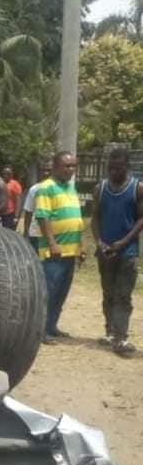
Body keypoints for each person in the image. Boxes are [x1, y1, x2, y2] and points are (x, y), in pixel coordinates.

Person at [91, 147, 143, 357]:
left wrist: (122, 242)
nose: (114, 172)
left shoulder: (137, 188)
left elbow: (141, 219)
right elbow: (95, 217)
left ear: (127, 167)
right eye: (111, 168)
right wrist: (99, 242)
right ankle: (110, 331)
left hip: (127, 252)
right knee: (108, 293)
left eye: (118, 168)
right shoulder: (100, 188)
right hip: (105, 251)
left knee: (123, 295)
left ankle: (121, 337)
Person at [35, 150, 86, 343]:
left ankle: (52, 326)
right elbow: (43, 216)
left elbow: (77, 220)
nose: (71, 169)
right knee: (50, 291)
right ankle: (42, 330)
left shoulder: (71, 188)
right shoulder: (47, 187)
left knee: (62, 292)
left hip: (70, 250)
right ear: (56, 167)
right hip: (54, 251)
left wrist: (80, 246)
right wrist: (52, 243)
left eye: (73, 166)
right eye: (67, 166)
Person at [22, 159, 53, 252]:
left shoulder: (60, 189)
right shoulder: (34, 189)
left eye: (49, 170)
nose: (46, 173)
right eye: (43, 170)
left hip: (55, 233)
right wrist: (26, 233)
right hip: (36, 233)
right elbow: (28, 212)